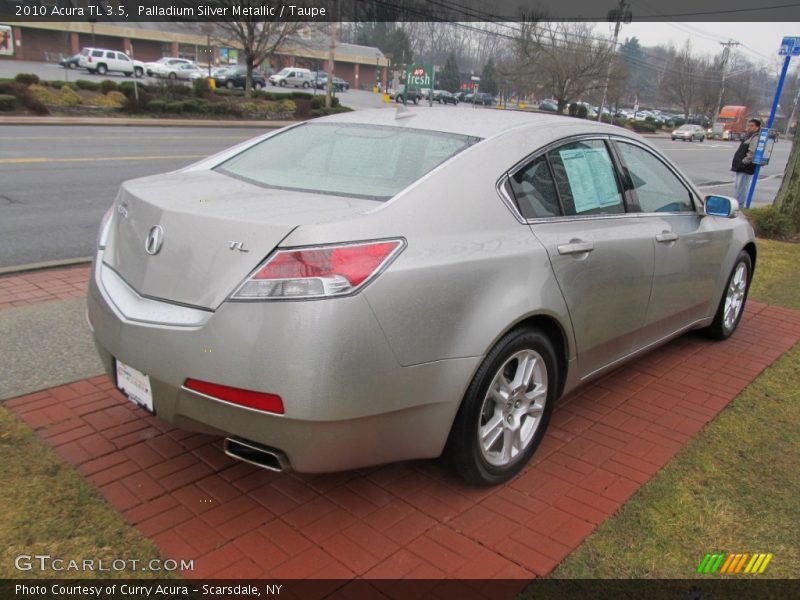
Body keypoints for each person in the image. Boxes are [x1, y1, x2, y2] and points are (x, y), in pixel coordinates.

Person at [731, 119, 762, 207]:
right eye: (748, 125)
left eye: (752, 126)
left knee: (741, 188)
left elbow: (752, 153)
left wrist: (743, 162)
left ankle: (738, 206)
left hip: (745, 167)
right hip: (740, 166)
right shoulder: (749, 136)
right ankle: (737, 205)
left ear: (757, 127)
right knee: (738, 187)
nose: (749, 127)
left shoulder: (755, 137)